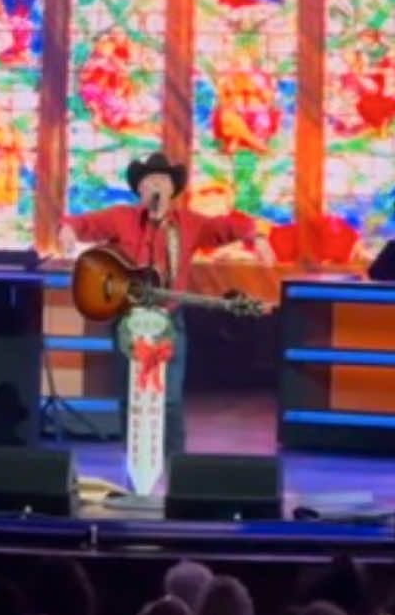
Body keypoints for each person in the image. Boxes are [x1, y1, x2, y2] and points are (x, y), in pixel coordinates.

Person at [58, 151, 274, 456]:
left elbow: (228, 227)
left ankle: (175, 468)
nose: (156, 186)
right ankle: (134, 462)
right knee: (131, 397)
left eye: (163, 181)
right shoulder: (122, 218)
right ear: (140, 190)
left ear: (173, 190)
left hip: (168, 320)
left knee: (169, 398)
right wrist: (68, 230)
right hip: (128, 321)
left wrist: (258, 237)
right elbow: (82, 223)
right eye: (149, 181)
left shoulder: (188, 224)